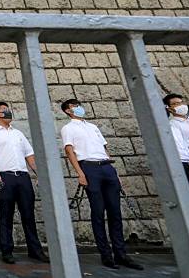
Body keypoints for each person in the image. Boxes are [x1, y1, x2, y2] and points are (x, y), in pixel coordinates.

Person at [60, 99, 143, 270]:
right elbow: (69, 151)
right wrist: (80, 173)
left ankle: (121, 254)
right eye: (75, 106)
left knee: (115, 212)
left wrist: (114, 171)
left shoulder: (93, 127)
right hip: (89, 167)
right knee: (98, 212)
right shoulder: (68, 128)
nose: (79, 108)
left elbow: (105, 149)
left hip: (106, 167)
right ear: (68, 111)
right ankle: (106, 255)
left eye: (79, 105)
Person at [0, 101, 49, 265]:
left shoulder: (18, 133)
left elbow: (30, 155)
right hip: (5, 177)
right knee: (6, 215)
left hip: (23, 177)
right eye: (5, 110)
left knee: (29, 215)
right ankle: (7, 251)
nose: (8, 112)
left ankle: (35, 250)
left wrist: (39, 174)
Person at [163, 93, 189, 220]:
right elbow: (180, 148)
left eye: (181, 102)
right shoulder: (173, 125)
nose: (180, 105)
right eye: (175, 104)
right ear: (169, 108)